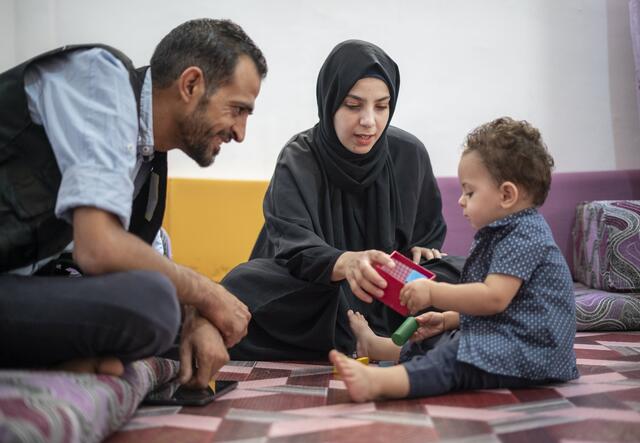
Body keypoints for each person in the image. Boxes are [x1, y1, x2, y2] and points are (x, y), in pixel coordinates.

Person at [0, 19, 267, 388]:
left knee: (169, 313)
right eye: (237, 109)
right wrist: (208, 294)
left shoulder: (147, 163)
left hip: (22, 287)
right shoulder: (100, 79)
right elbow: (101, 248)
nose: (240, 133)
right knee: (153, 303)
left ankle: (76, 359)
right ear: (191, 84)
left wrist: (196, 316)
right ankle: (73, 360)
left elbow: (145, 260)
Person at [222, 40, 448, 361]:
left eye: (381, 106)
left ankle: (363, 338)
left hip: (390, 295)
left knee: (466, 277)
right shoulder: (299, 157)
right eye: (354, 105)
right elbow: (294, 246)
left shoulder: (409, 154)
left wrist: (424, 247)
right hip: (324, 292)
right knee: (242, 283)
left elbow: (428, 228)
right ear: (329, 103)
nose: (369, 121)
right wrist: (346, 264)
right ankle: (387, 341)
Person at [330, 117, 579, 402]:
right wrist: (450, 319)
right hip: (512, 336)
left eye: (469, 192)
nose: (461, 200)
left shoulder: (525, 234)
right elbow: (508, 308)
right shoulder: (503, 232)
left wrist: (434, 292)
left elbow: (494, 298)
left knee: (454, 356)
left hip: (533, 352)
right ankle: (379, 348)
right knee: (437, 338)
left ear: (507, 194)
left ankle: (381, 382)